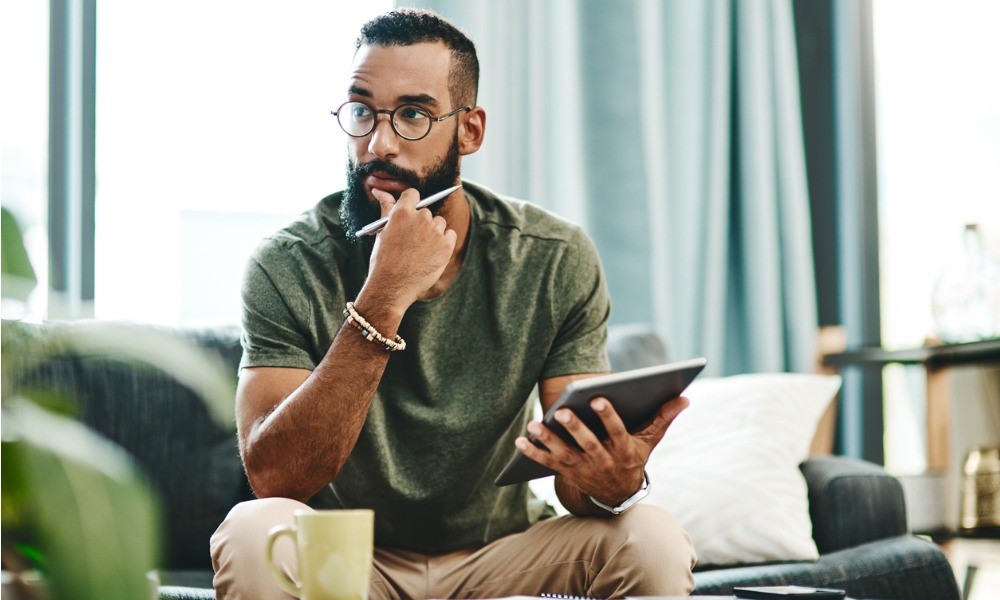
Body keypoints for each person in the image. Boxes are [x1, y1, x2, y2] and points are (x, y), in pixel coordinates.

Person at [210, 8, 696, 599]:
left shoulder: (552, 256)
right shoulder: (286, 262)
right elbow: (275, 479)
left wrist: (612, 479)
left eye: (412, 114)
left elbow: (576, 490)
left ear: (470, 131)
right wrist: (384, 296)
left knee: (651, 535)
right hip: (348, 561)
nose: (378, 143)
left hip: (502, 556)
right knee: (254, 530)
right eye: (362, 111)